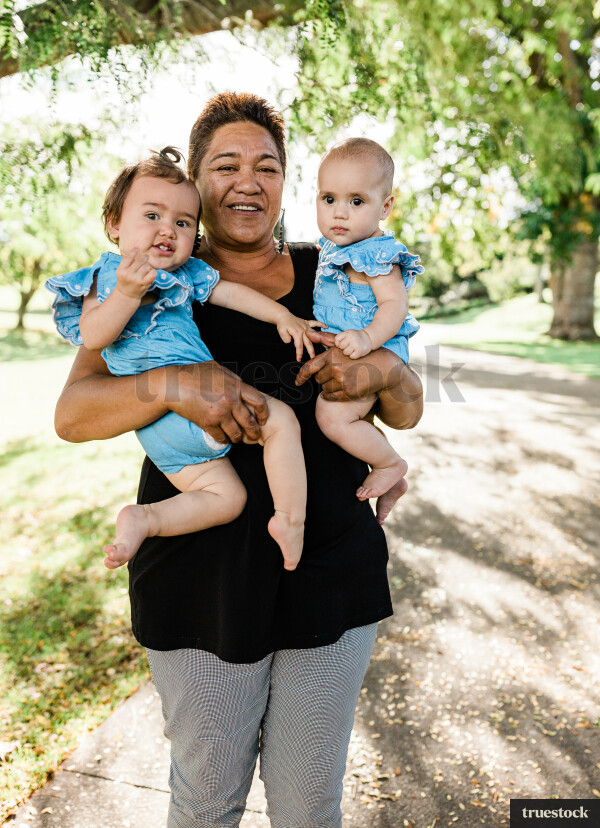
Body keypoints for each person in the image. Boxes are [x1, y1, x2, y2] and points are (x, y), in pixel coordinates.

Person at [53, 93, 424, 828]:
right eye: (226, 165)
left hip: (330, 577)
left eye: (267, 166)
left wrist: (382, 374)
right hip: (201, 586)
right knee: (206, 803)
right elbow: (72, 415)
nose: (247, 181)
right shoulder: (148, 281)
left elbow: (408, 407)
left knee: (308, 806)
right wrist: (169, 384)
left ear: (288, 182)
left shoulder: (339, 267)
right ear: (195, 182)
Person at [46, 148, 323, 571]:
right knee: (280, 421)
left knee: (227, 499)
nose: (167, 231)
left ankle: (146, 517)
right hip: (163, 423)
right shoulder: (102, 278)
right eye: (152, 216)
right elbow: (94, 335)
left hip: (189, 445)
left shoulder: (186, 274)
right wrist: (127, 293)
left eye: (182, 222)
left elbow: (232, 294)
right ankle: (291, 519)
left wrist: (282, 315)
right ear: (114, 224)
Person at [313, 138, 424, 518]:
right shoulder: (329, 249)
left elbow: (395, 305)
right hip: (357, 347)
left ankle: (390, 465)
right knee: (352, 419)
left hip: (379, 348)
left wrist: (368, 338)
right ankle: (392, 476)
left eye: (356, 201)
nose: (339, 213)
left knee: (333, 417)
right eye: (328, 199)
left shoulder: (374, 253)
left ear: (385, 207)